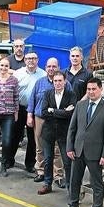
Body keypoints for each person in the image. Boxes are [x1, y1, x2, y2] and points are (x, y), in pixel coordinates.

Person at [63, 77, 104, 207]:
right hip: (78, 151)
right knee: (74, 181)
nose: (91, 92)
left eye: (94, 89)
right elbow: (72, 129)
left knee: (97, 185)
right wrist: (69, 147)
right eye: (89, 89)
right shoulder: (80, 105)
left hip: (95, 154)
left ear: (101, 89)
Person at [27, 58, 71, 187]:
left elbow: (70, 103)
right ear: (45, 67)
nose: (51, 69)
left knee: (57, 148)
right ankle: (41, 171)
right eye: (49, 66)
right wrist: (30, 116)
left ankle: (58, 175)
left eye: (54, 66)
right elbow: (32, 100)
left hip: (58, 121)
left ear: (58, 68)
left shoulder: (65, 84)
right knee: (40, 147)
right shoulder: (39, 83)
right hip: (40, 118)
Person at [38, 71, 77, 195]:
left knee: (67, 161)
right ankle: (47, 184)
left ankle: (71, 188)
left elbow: (70, 114)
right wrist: (62, 112)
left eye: (60, 80)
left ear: (65, 81)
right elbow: (43, 112)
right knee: (48, 159)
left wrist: (53, 111)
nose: (58, 83)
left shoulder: (71, 94)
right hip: (48, 131)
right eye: (55, 81)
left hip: (64, 132)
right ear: (52, 82)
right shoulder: (47, 93)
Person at [10, 53, 46, 173]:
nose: (31, 61)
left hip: (35, 110)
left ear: (38, 60)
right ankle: (9, 160)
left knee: (32, 138)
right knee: (15, 135)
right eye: (29, 58)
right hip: (19, 108)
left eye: (34, 58)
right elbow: (12, 90)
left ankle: (30, 164)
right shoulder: (18, 73)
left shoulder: (43, 75)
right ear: (25, 60)